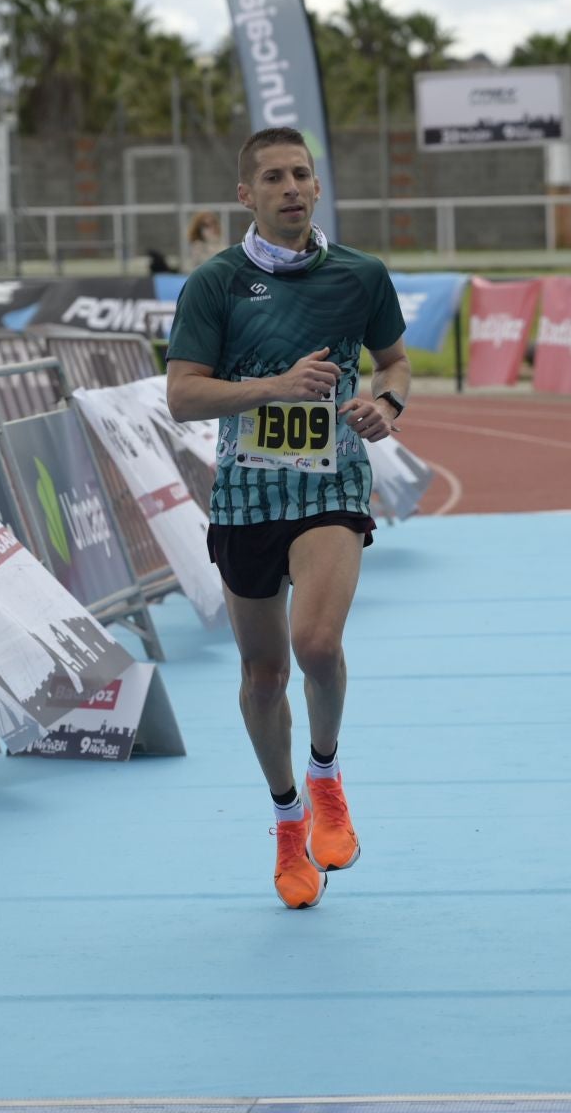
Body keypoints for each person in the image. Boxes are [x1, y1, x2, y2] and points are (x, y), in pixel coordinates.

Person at [165, 127, 409, 910]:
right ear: (247, 195)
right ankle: (285, 818)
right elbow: (183, 396)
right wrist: (274, 385)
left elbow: (395, 362)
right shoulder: (216, 285)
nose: (292, 188)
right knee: (263, 676)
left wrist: (387, 403)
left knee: (316, 643)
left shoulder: (361, 275)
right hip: (244, 495)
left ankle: (328, 775)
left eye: (302, 174)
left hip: (331, 483)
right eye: (274, 177)